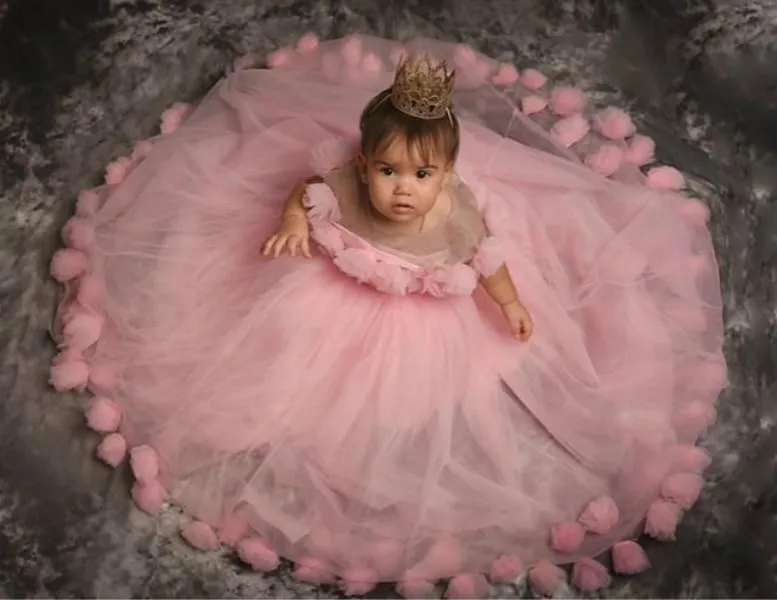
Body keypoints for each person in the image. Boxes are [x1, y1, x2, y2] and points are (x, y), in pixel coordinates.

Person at [48, 34, 726, 599]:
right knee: (284, 363)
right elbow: (306, 187)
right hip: (330, 295)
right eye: (389, 172)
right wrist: (290, 224)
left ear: (447, 174)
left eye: (422, 176)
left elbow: (487, 264)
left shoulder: (455, 216)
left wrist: (512, 304)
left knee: (398, 405)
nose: (404, 189)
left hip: (423, 318)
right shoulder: (344, 182)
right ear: (366, 163)